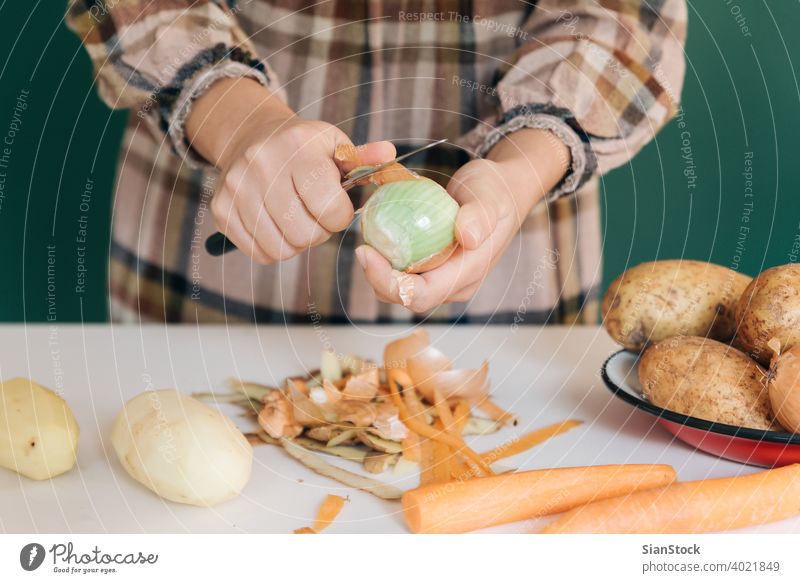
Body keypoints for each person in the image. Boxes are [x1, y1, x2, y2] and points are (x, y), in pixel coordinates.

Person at [66, 0, 686, 324]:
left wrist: (519, 170)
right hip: (210, 231)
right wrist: (242, 122)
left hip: (515, 257)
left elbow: (629, 14)